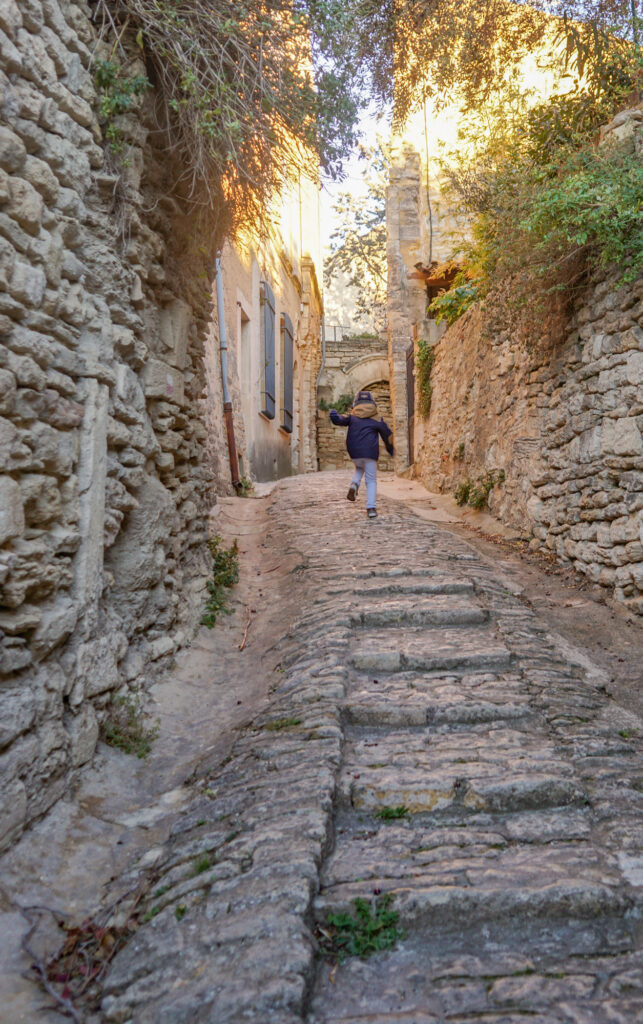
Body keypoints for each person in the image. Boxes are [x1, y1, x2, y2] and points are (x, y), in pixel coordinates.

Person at [330, 390, 394, 519]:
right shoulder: (377, 419)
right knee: (371, 481)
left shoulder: (352, 417)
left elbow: (339, 420)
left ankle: (354, 484)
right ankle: (371, 508)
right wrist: (390, 449)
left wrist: (333, 414)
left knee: (359, 467)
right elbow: (387, 435)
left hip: (355, 452)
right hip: (370, 453)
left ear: (356, 404)